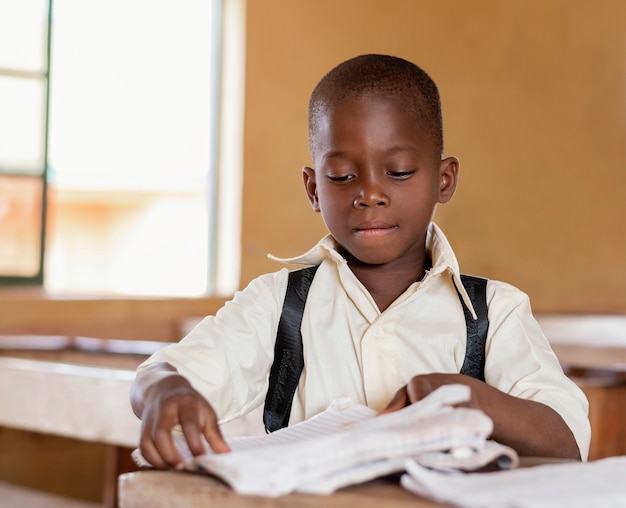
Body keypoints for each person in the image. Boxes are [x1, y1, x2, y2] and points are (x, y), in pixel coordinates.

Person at [131, 54, 590, 469]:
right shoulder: (277, 305)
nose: (369, 193)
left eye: (400, 172)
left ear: (444, 180)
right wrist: (165, 389)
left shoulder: (496, 312)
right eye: (342, 176)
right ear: (314, 189)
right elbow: (161, 373)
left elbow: (566, 440)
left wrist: (465, 395)